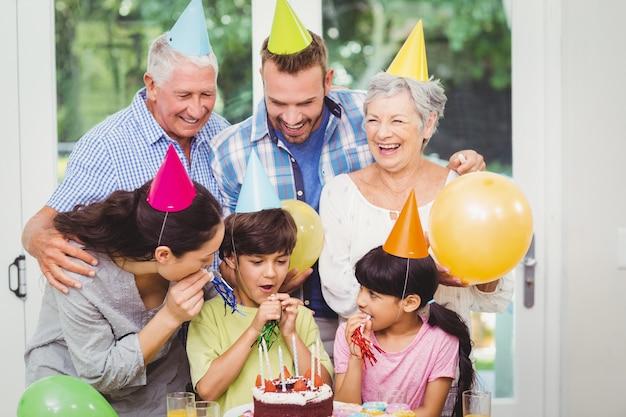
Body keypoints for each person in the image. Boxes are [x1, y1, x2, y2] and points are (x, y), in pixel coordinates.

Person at [208, 0, 485, 357]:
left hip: (366, 322)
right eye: (277, 102)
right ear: (262, 80)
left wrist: (467, 166)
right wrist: (259, 280)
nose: (291, 117)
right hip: (280, 321)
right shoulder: (230, 152)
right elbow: (221, 258)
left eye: (306, 102)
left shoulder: (367, 114)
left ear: (328, 81)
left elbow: (412, 146)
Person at [21, 0, 229, 293]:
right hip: (143, 326)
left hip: (216, 320)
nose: (197, 109)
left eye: (207, 93)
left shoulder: (222, 132)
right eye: (184, 95)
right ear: (152, 85)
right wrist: (40, 241)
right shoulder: (105, 145)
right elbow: (41, 223)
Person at [24, 158, 226, 417]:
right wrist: (170, 316)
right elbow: (100, 373)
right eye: (205, 258)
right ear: (163, 255)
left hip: (154, 394)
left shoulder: (177, 260)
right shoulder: (82, 273)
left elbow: (226, 300)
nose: (211, 265)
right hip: (72, 395)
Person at [318, 72, 514, 330]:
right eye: (373, 120)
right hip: (365, 364)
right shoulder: (340, 193)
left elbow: (492, 297)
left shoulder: (459, 187)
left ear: (428, 124)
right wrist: (428, 276)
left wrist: (485, 265)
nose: (383, 133)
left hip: (444, 363)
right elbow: (339, 293)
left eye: (397, 120)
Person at [186, 208, 333, 411]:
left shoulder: (298, 315)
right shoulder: (208, 315)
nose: (271, 273)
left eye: (281, 261)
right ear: (230, 258)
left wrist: (290, 334)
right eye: (257, 262)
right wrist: (254, 329)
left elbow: (324, 388)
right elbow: (207, 390)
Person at [333, 245, 475, 417]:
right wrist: (356, 357)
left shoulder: (441, 340)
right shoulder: (348, 334)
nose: (359, 300)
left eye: (372, 294)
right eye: (360, 288)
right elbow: (343, 410)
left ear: (409, 303)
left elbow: (430, 412)